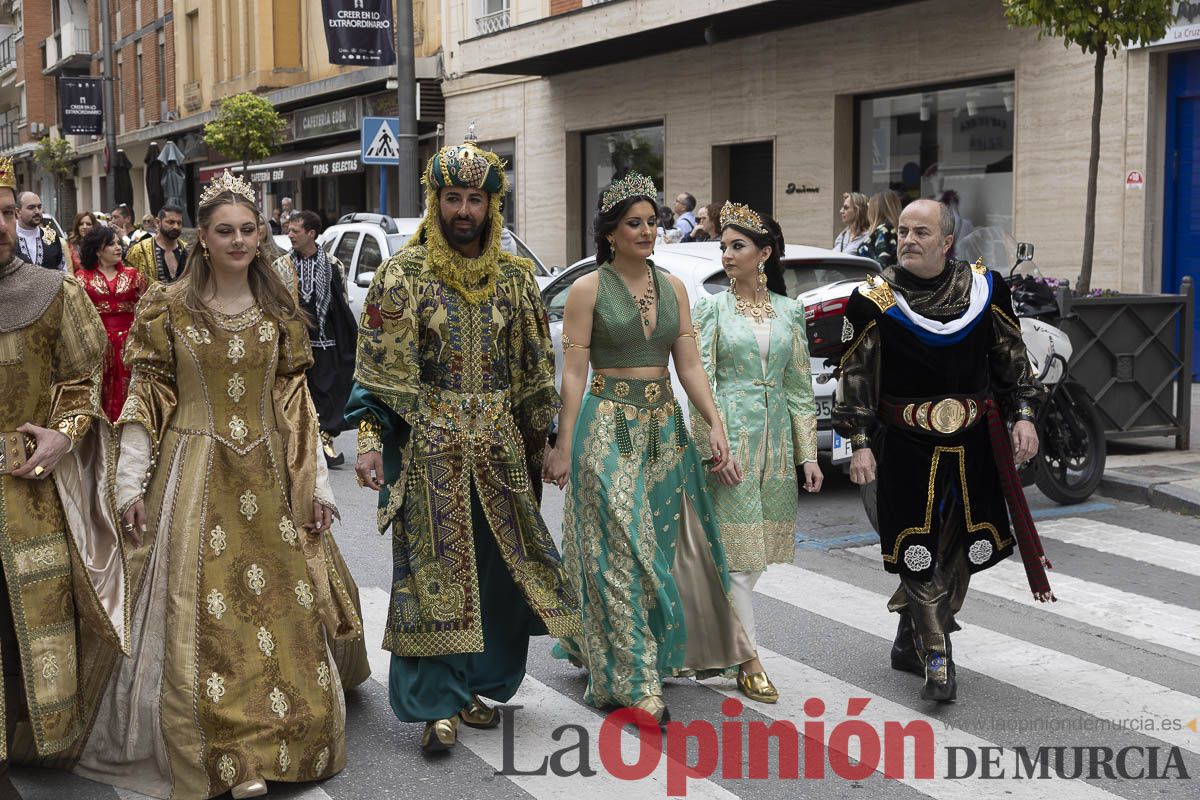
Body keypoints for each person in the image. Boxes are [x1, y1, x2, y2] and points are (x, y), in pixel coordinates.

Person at [74, 170, 362, 799]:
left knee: (273, 616)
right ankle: (224, 751)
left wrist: (317, 487)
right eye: (224, 231)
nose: (238, 241)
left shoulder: (280, 309)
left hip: (265, 474)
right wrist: (129, 483)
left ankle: (271, 741)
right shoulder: (168, 305)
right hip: (191, 471)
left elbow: (295, 404)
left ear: (262, 236)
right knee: (199, 617)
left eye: (248, 230)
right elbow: (149, 397)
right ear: (202, 237)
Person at [347, 142, 579, 754]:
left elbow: (534, 371)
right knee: (435, 574)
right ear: (436, 200)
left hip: (502, 453)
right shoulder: (406, 274)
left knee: (497, 574)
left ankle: (471, 683)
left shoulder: (514, 280)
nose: (464, 209)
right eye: (453, 197)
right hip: (431, 451)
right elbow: (377, 372)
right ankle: (436, 704)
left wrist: (549, 443)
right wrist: (371, 441)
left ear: (491, 204)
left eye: (476, 198)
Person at [543, 172, 754, 725]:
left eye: (651, 222)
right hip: (605, 427)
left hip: (664, 432)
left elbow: (689, 365)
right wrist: (563, 442)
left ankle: (622, 651)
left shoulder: (674, 288)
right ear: (610, 232)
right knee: (622, 547)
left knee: (654, 549)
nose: (646, 231)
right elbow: (572, 374)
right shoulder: (587, 289)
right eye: (633, 223)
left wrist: (712, 422)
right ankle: (634, 683)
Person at [833, 199, 1051, 704]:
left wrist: (1024, 414)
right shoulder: (873, 298)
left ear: (946, 242)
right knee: (915, 547)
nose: (907, 239)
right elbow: (856, 380)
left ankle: (910, 640)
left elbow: (1011, 359)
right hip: (904, 447)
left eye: (921, 233)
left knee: (961, 551)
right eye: (903, 231)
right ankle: (936, 654)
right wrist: (859, 443)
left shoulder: (985, 288)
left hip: (975, 446)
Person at [0, 156, 131, 797]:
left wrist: (64, 433)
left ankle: (28, 743)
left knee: (27, 620)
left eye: (3, 212)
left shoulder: (55, 291)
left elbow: (83, 383)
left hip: (30, 492)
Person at [691, 202, 823, 704]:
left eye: (737, 246)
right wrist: (712, 447)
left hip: (776, 451)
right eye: (724, 245)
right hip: (733, 444)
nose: (727, 254)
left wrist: (808, 456)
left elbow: (798, 389)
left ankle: (718, 645)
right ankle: (749, 660)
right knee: (740, 563)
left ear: (764, 254)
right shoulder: (712, 309)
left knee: (753, 560)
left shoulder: (790, 312)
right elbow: (699, 380)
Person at [275, 210, 355, 468]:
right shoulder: (281, 266)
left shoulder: (333, 265)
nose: (290, 235)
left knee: (328, 393)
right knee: (298, 392)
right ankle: (299, 443)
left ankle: (325, 438)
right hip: (293, 343)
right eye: (288, 230)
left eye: (295, 231)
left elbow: (340, 302)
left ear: (311, 234)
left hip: (326, 341)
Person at [74, 226, 146, 421]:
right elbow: (77, 315)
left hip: (129, 345)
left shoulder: (133, 275)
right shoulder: (82, 279)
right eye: (111, 244)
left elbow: (146, 308)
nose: (118, 248)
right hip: (97, 345)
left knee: (130, 390)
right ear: (98, 250)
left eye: (119, 243)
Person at [125, 203, 189, 286]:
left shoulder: (188, 251)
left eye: (179, 223)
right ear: (158, 222)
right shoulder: (138, 250)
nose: (176, 227)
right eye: (171, 222)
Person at [15, 192, 66, 270]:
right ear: (18, 212)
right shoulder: (9, 239)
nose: (37, 211)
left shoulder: (51, 237)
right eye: (31, 208)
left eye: (39, 207)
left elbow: (63, 271)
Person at [856, 190, 902, 269]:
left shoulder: (884, 230)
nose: (868, 211)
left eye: (869, 206)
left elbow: (882, 264)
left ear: (875, 209)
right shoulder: (893, 230)